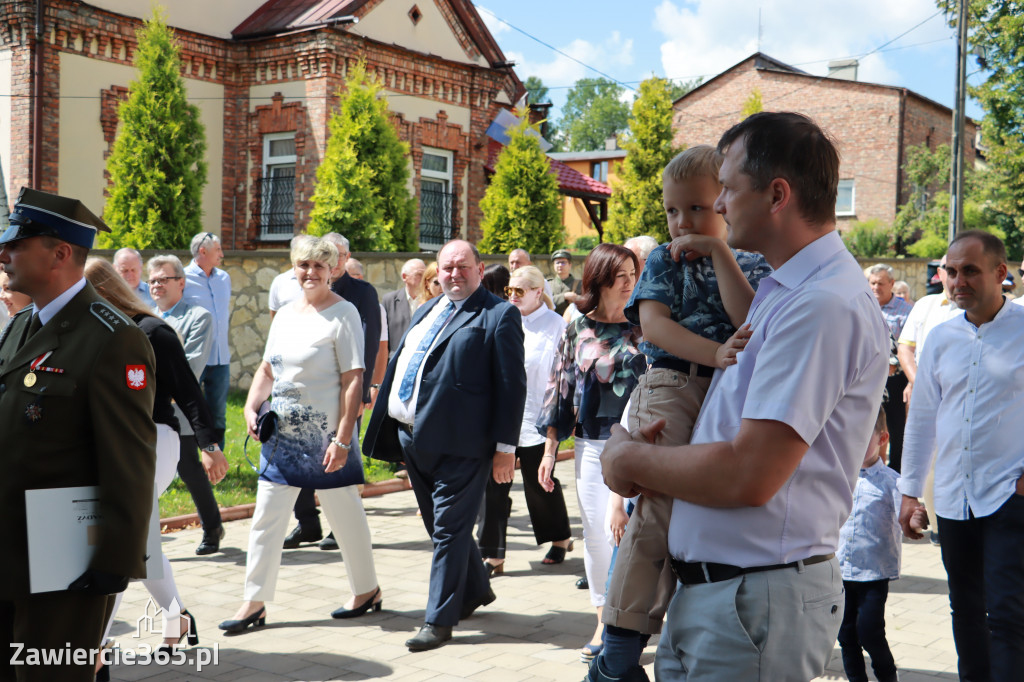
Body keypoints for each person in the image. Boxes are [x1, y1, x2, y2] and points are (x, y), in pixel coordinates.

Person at [600, 112, 889, 680]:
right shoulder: (787, 291)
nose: (721, 204)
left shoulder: (819, 305)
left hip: (753, 604)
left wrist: (631, 458)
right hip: (726, 600)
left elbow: (749, 473)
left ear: (777, 194)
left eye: (728, 188)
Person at [592, 145, 771, 682]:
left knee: (706, 504)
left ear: (723, 203)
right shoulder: (662, 263)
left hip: (726, 392)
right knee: (657, 506)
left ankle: (680, 626)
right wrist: (712, 352)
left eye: (696, 208)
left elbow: (748, 316)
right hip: (672, 383)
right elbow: (654, 328)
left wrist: (719, 254)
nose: (682, 222)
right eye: (672, 211)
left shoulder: (751, 261)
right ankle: (620, 646)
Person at [0, 188, 156, 682]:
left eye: (17, 244)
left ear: (61, 253)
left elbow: (130, 459)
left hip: (64, 562)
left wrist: (116, 559)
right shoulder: (20, 324)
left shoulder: (113, 337)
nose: (3, 254)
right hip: (9, 545)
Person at [364, 239, 527, 652]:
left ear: (479, 268)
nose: (454, 275)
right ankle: (474, 590)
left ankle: (438, 620)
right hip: (413, 438)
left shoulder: (499, 315)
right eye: (447, 268)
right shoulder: (428, 310)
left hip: (463, 444)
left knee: (449, 530)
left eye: (462, 267)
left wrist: (506, 449)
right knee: (441, 529)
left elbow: (511, 387)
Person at [220, 236, 381, 634]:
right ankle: (253, 602)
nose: (310, 272)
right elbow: (267, 369)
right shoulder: (287, 313)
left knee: (345, 516)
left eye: (318, 266)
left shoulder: (344, 314)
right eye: (303, 265)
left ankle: (367, 590)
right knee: (266, 518)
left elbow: (352, 380)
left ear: (332, 270)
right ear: (294, 268)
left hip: (327, 439)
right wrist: (250, 406)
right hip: (282, 440)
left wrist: (344, 440)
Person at [899, 230, 1024, 682]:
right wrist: (909, 493)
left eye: (969, 270)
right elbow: (923, 419)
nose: (956, 281)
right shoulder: (940, 337)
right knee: (965, 610)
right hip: (954, 498)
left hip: (1010, 496)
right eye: (950, 271)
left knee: (1009, 614)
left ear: (1000, 273)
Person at [84, 258, 222, 659]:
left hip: (155, 442)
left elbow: (188, 391)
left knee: (121, 540)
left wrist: (209, 445)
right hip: (117, 446)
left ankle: (97, 639)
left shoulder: (152, 331)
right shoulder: (100, 332)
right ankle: (177, 616)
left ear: (104, 292)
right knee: (141, 542)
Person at [536, 242, 643, 662]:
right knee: (597, 537)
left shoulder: (646, 325)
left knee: (631, 536)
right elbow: (559, 392)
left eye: (634, 276)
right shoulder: (576, 326)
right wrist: (548, 452)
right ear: (599, 281)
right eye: (622, 278)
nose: (630, 284)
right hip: (591, 444)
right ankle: (603, 617)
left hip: (639, 445)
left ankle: (627, 623)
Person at [283, 233, 381, 553]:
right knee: (298, 463)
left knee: (338, 461)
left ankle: (342, 528)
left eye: (338, 255)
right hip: (305, 398)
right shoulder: (303, 291)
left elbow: (367, 344)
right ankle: (307, 523)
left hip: (343, 395)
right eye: (326, 255)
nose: (331, 262)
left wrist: (363, 393)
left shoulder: (361, 294)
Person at [478, 265, 573, 575]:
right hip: (503, 416)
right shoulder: (503, 318)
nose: (513, 296)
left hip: (538, 417)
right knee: (494, 485)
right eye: (509, 291)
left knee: (539, 483)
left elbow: (562, 376)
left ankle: (559, 538)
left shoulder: (556, 324)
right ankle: (493, 554)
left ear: (537, 291)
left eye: (520, 291)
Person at [147, 254, 228, 555]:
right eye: (152, 280)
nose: (156, 285)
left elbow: (190, 369)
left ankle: (211, 528)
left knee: (189, 470)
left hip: (179, 410)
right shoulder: (146, 316)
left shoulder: (199, 317)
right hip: (149, 410)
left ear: (181, 282)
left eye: (163, 279)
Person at [837, 407, 902, 682]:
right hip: (840, 570)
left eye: (864, 436)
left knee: (871, 632)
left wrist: (915, 519)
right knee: (846, 634)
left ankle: (888, 677)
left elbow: (906, 515)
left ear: (882, 438)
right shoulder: (839, 477)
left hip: (874, 572)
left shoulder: (892, 482)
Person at [184, 232, 232, 450]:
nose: (222, 254)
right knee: (189, 410)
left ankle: (217, 457)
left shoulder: (224, 278)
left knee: (218, 413)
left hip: (221, 358)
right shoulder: (183, 278)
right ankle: (187, 460)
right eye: (218, 250)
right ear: (203, 252)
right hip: (194, 357)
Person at [867, 263, 913, 472]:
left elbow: (910, 346)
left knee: (896, 429)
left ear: (892, 284)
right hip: (867, 379)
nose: (876, 287)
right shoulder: (862, 305)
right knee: (869, 428)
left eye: (881, 283)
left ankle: (895, 475)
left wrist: (891, 364)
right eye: (872, 283)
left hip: (895, 381)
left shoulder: (906, 311)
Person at [381, 258, 426, 359]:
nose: (424, 278)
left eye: (425, 274)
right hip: (396, 361)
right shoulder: (389, 300)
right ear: (404, 277)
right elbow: (383, 337)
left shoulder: (431, 301)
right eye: (419, 274)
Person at [268, 235, 309, 319]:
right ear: (292, 254)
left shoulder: (321, 280)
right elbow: (274, 316)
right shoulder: (280, 281)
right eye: (301, 251)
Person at [548, 249, 582, 316]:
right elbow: (544, 302)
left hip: (572, 322)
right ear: (553, 265)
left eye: (563, 262)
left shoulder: (580, 284)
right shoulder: (548, 284)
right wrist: (564, 296)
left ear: (570, 265)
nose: (560, 265)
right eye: (557, 263)